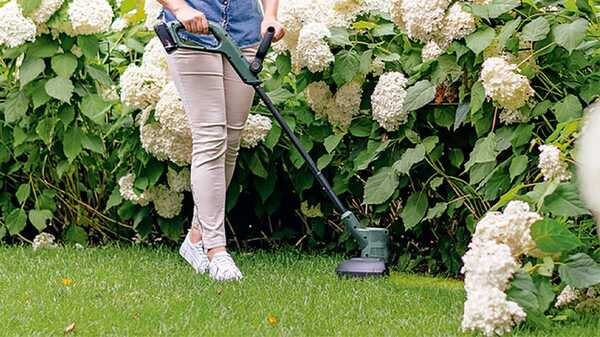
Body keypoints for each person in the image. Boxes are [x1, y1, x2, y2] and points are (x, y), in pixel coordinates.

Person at [156, 0, 285, 281]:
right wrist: (180, 9)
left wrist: (271, 15)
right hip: (191, 30)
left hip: (245, 30)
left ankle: (195, 238)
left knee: (230, 141)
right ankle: (216, 251)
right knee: (211, 137)